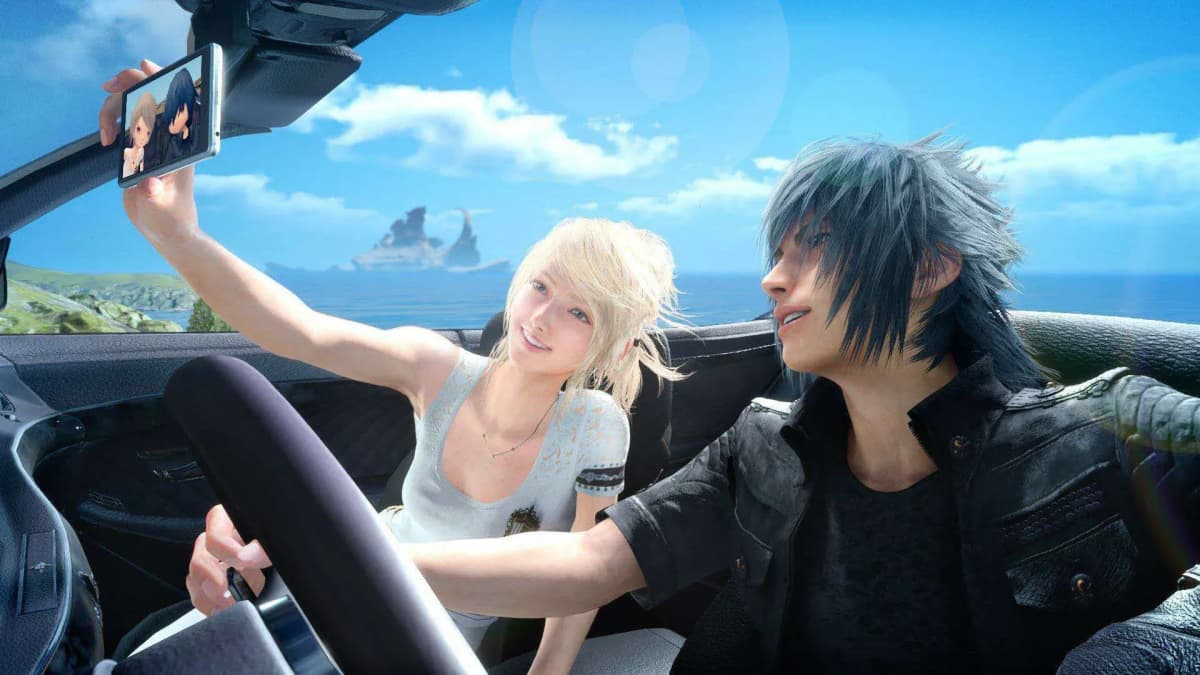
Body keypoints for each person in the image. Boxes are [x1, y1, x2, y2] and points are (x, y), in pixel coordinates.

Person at [265, 133, 1195, 673]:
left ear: (927, 270)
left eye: (811, 249)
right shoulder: (763, 452)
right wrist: (325, 558)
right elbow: (585, 564)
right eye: (775, 251)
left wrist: (1149, 648)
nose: (772, 278)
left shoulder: (1104, 440)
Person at [98, 60, 683, 672]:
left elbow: (581, 577)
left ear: (614, 346)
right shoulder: (437, 367)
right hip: (342, 573)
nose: (541, 318)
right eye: (540, 286)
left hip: (430, 635)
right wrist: (178, 236)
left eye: (579, 313)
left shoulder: (596, 425)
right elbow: (302, 331)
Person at [122, 92, 156, 178]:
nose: (142, 138)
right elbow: (132, 168)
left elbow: (141, 170)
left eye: (148, 133)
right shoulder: (127, 151)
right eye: (138, 129)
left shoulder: (142, 151)